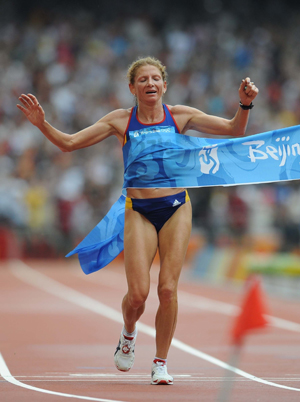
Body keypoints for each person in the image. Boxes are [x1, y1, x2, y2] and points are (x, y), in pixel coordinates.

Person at [17, 56, 259, 385]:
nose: (150, 84)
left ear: (164, 85)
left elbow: (233, 130)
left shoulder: (181, 116)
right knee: (137, 295)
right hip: (139, 210)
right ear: (132, 87)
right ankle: (128, 333)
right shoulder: (121, 121)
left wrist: (244, 105)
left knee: (168, 290)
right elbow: (70, 143)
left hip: (176, 207)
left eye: (156, 78)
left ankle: (161, 362)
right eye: (142, 79)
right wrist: (41, 124)